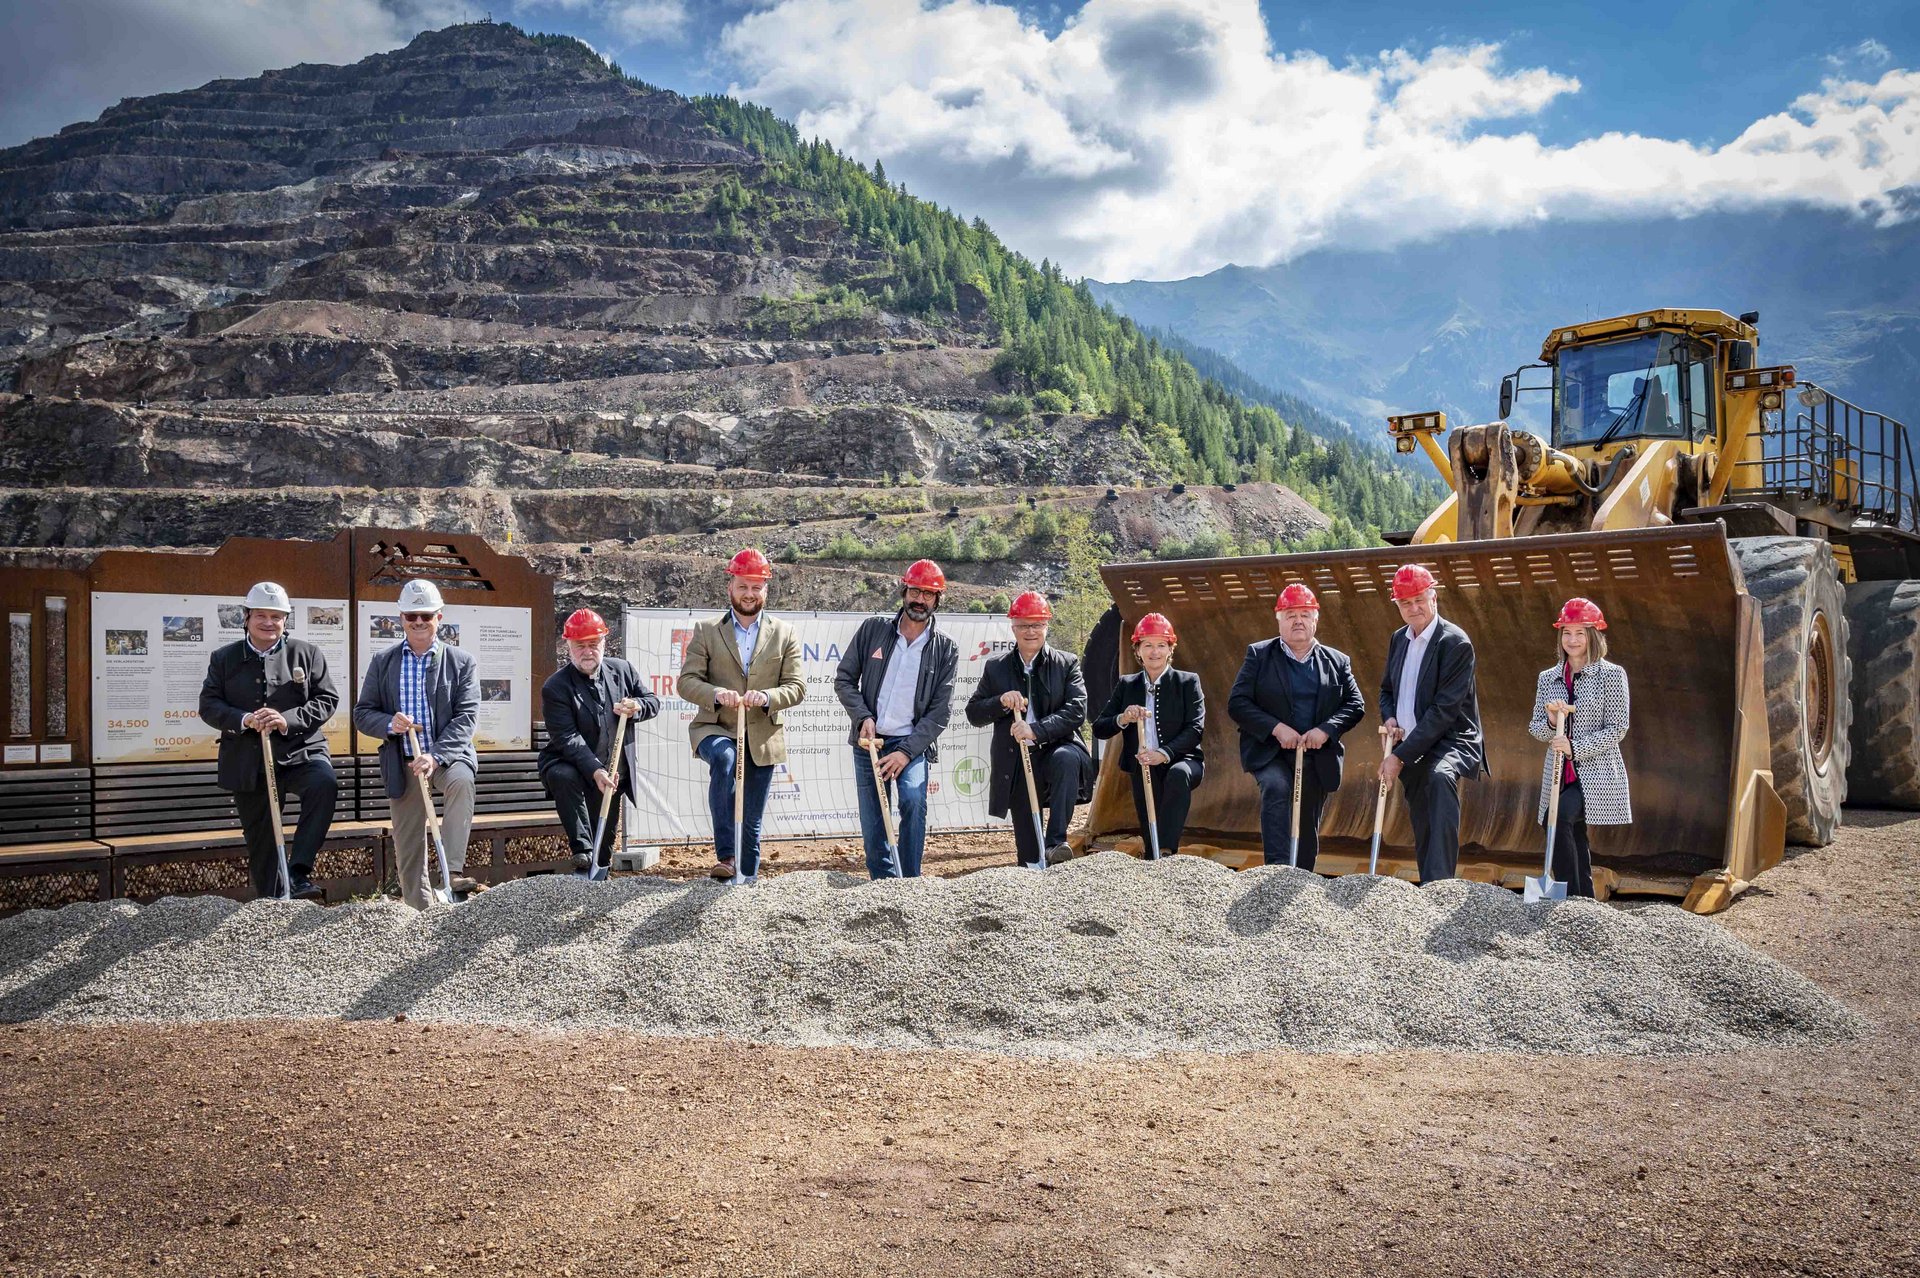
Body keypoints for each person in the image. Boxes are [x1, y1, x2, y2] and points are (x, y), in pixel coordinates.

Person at [197, 580, 340, 900]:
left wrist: (286, 719)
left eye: (276, 616)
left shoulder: (307, 653)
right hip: (248, 758)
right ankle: (273, 901)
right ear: (246, 617)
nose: (268, 622)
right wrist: (244, 719)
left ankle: (299, 870)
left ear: (285, 620)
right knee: (261, 837)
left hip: (301, 749)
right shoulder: (224, 658)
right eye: (261, 615)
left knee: (323, 784)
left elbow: (326, 700)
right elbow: (209, 705)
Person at [676, 549, 806, 881]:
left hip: (762, 735)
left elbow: (797, 687)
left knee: (751, 818)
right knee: (724, 760)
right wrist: (715, 694)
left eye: (756, 587)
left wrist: (767, 697)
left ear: (766, 590)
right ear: (730, 587)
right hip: (715, 727)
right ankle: (727, 857)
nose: (749, 594)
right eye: (743, 586)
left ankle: (747, 878)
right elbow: (687, 682)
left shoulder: (784, 633)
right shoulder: (706, 630)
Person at [352, 579, 481, 907]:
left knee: (462, 783)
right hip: (403, 760)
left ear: (440, 617)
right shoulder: (383, 662)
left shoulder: (461, 662)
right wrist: (388, 724)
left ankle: (453, 875)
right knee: (408, 846)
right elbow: (363, 713)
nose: (419, 622)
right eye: (412, 616)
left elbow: (465, 718)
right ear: (401, 619)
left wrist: (436, 756)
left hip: (446, 758)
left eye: (426, 615)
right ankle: (419, 912)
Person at [833, 559, 960, 879]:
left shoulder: (945, 649)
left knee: (915, 800)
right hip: (869, 743)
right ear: (904, 591)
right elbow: (844, 679)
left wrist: (905, 752)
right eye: (915, 591)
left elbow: (939, 712)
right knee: (875, 819)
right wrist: (862, 716)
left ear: (937, 599)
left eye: (928, 594)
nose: (920, 600)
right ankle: (883, 883)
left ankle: (910, 882)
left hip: (911, 744)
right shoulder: (873, 629)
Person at [1227, 584, 1366, 868]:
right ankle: (1276, 869)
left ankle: (1301, 876)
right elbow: (1238, 703)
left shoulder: (1337, 662)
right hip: (1269, 751)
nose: (1298, 620)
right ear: (1278, 619)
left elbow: (1355, 705)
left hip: (1316, 754)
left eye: (1305, 614)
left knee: (1306, 817)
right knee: (1277, 787)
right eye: (1290, 614)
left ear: (1316, 619)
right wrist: (1276, 729)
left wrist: (1326, 730)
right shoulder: (1258, 655)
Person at [965, 592, 1094, 868]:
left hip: (1057, 747)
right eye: (1024, 625)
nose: (1030, 631)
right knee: (1028, 855)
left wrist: (1035, 730)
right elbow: (973, 713)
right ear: (1013, 627)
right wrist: (1000, 702)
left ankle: (1056, 843)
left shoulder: (1066, 663)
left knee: (1066, 758)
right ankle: (1032, 868)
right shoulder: (996, 667)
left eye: (1037, 625)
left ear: (1047, 626)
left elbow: (1076, 711)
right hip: (1016, 759)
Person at [1377, 564, 1486, 884]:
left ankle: (1440, 886)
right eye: (1405, 603)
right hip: (1409, 741)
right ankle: (1429, 884)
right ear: (1397, 605)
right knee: (1422, 817)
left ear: (1434, 597)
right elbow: (1386, 690)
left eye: (1419, 600)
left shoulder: (1456, 643)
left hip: (1451, 739)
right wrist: (1390, 717)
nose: (1414, 609)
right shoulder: (1399, 639)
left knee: (1439, 780)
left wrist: (1398, 756)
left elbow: (1444, 712)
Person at [537, 608, 660, 876]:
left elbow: (653, 702)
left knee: (604, 843)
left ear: (604, 643)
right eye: (580, 645)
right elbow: (567, 738)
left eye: (593, 644)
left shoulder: (622, 670)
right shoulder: (556, 687)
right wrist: (595, 770)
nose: (587, 652)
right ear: (568, 646)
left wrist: (637, 705)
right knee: (563, 775)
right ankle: (581, 850)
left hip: (613, 769)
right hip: (572, 764)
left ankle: (597, 874)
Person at [1528, 597, 1631, 899]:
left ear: (1593, 636)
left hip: (1596, 772)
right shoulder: (1548, 678)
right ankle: (1584, 899)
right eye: (1566, 633)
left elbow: (1617, 728)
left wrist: (1575, 747)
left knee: (1557, 819)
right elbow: (1534, 727)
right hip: (1558, 773)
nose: (1572, 640)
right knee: (1571, 831)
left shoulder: (1611, 675)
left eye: (1580, 633)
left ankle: (1570, 897)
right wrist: (1549, 722)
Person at [1092, 612, 1204, 857]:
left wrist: (1164, 754)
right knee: (1148, 822)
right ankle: (1155, 860)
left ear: (1170, 649)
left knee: (1177, 774)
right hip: (1143, 766)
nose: (1155, 652)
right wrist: (1124, 718)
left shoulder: (1187, 682)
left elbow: (1195, 729)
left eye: (1161, 645)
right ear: (1138, 649)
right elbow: (1100, 727)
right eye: (1148, 645)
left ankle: (1166, 850)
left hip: (1183, 761)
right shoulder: (1127, 684)